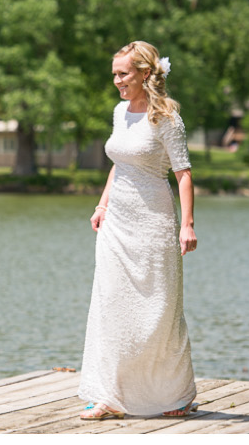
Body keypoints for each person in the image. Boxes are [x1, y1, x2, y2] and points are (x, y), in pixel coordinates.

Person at [78, 40, 199, 420]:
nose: (116, 81)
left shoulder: (167, 119)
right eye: (114, 74)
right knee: (110, 304)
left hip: (154, 221)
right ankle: (109, 395)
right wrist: (102, 205)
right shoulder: (119, 112)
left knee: (158, 310)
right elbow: (119, 163)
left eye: (123, 73)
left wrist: (188, 225)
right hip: (117, 224)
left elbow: (183, 174)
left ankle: (175, 395)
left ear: (146, 73)